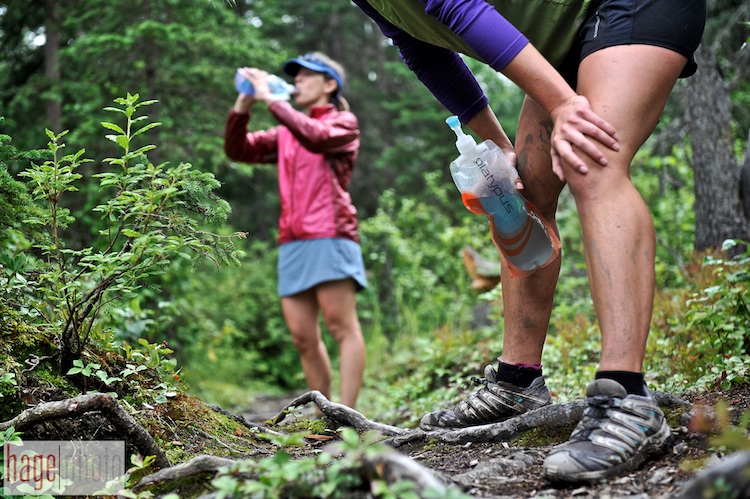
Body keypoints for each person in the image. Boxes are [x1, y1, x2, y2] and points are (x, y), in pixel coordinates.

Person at [352, 0, 706, 483]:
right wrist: (496, 141)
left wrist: (564, 107)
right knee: (522, 193)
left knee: (590, 161)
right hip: (566, 38)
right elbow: (420, 48)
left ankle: (627, 398)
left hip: (632, 7)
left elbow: (457, 8)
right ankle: (517, 382)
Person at [224, 52, 367, 409]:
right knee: (303, 337)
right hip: (292, 241)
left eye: (307, 76)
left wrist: (271, 100)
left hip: (331, 234)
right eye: (296, 77)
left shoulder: (343, 123)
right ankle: (324, 412)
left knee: (341, 327)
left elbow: (315, 136)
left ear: (329, 84)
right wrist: (244, 103)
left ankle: (348, 414)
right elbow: (238, 149)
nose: (298, 81)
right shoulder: (286, 129)